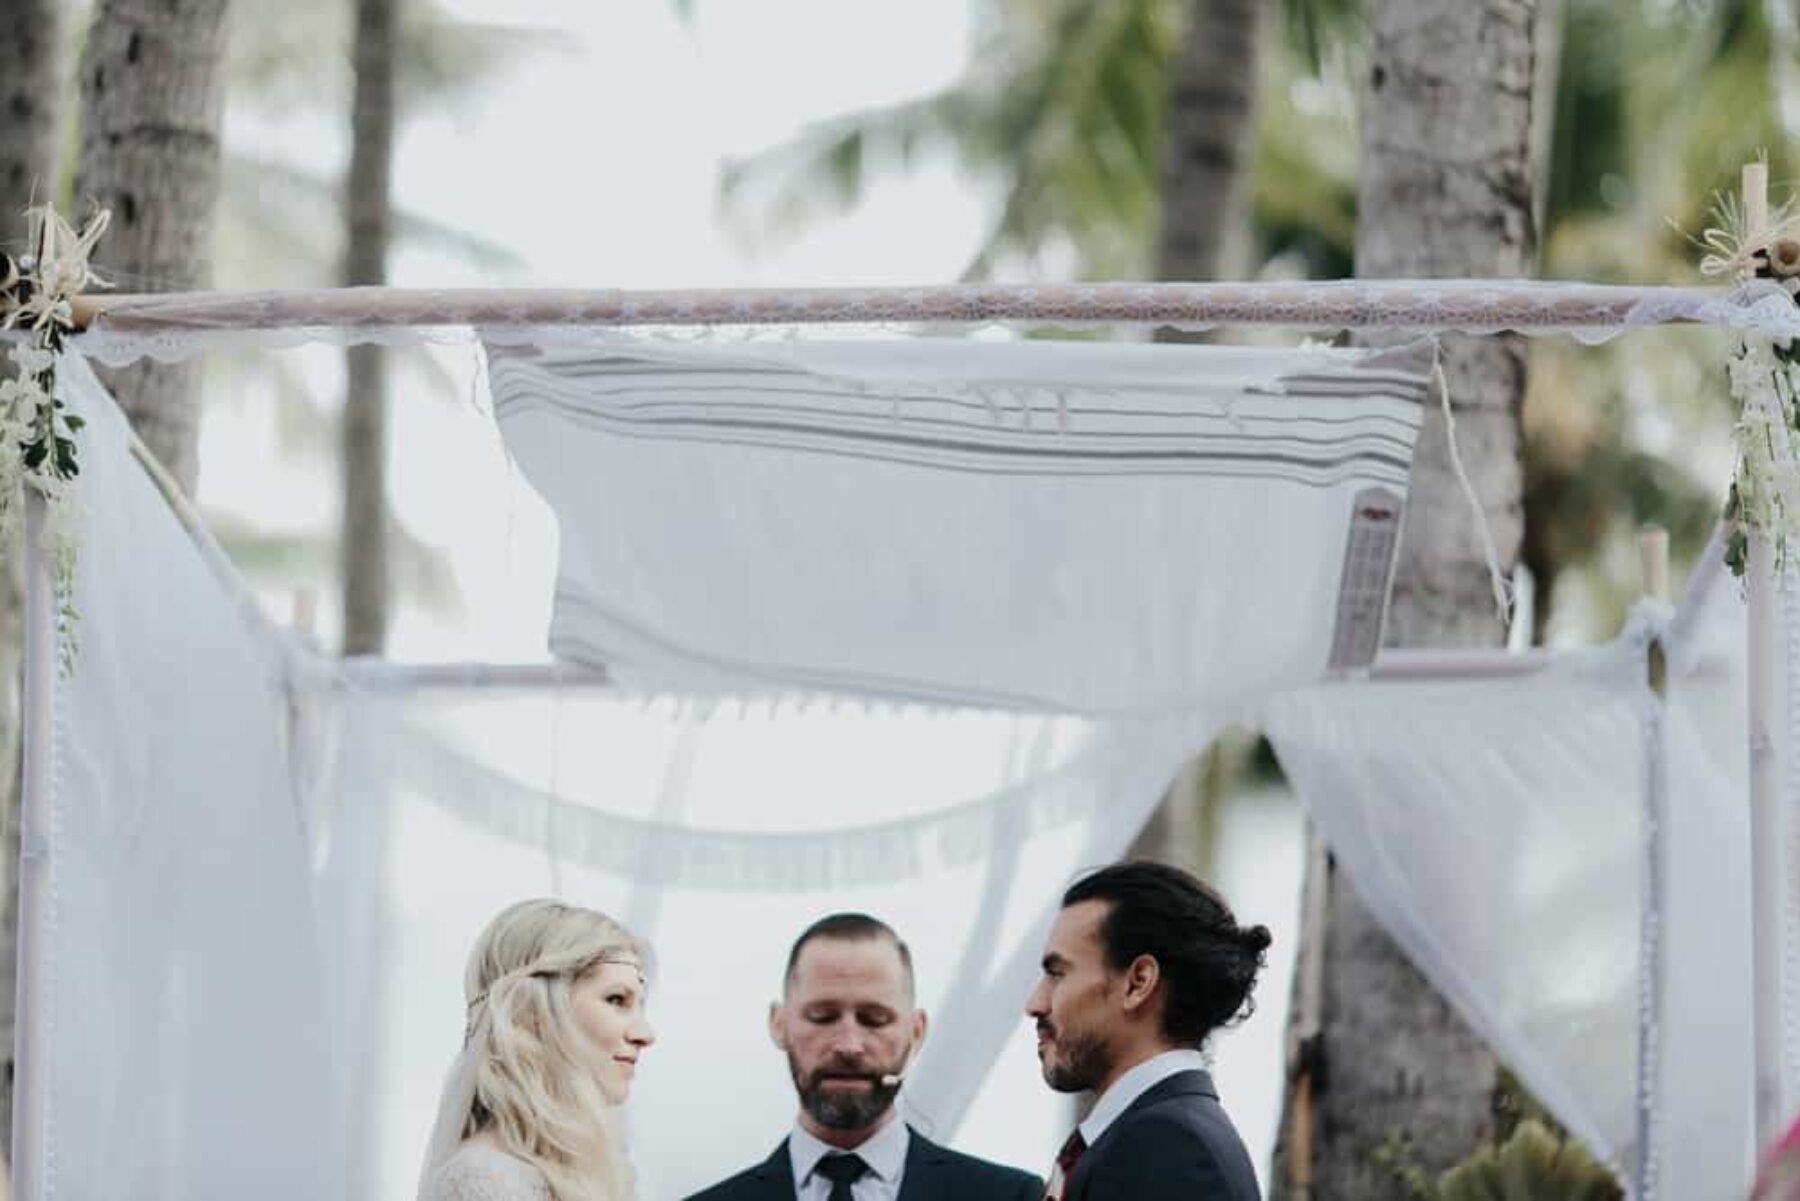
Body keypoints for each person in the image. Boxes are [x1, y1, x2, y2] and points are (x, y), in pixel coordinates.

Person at [685, 912, 1041, 1201]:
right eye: (823, 1017)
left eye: (875, 1020)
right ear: (779, 1024)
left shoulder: (1010, 1197)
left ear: (916, 1032)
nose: (849, 1045)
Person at [1027, 861, 1268, 1201]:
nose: (1034, 1003)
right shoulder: (1153, 1136)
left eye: (1058, 973)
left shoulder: (1167, 1145)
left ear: (1138, 982)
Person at [418, 899, 657, 1201]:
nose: (646, 1035)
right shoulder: (483, 1181)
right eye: (616, 1000)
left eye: (640, 1006)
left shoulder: (602, 1171)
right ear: (533, 1010)